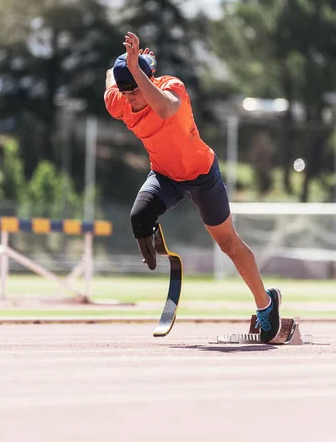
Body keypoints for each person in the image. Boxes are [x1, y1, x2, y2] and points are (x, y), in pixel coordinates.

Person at [104, 31, 281, 343]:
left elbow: (165, 110)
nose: (131, 99)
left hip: (202, 175)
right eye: (126, 93)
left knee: (229, 244)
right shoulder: (118, 101)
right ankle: (156, 241)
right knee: (139, 219)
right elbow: (110, 77)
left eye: (136, 90)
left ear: (149, 79)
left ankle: (266, 304)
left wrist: (137, 68)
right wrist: (134, 64)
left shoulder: (172, 87)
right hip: (165, 176)